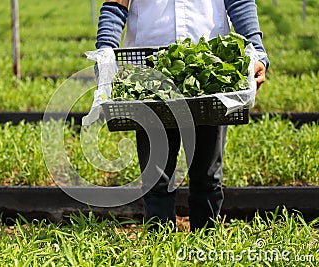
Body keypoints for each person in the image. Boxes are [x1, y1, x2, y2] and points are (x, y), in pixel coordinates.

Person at [95, 0, 269, 231]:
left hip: (210, 70)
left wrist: (257, 50)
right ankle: (161, 249)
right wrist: (105, 51)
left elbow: (239, 2)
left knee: (207, 177)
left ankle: (204, 246)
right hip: (149, 72)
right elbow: (115, 4)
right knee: (156, 179)